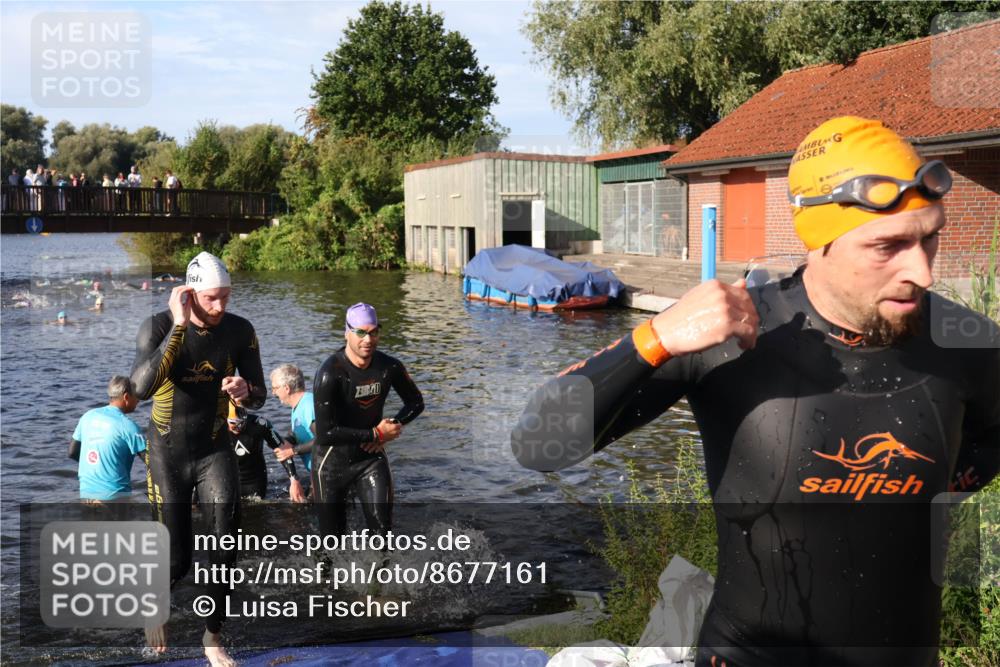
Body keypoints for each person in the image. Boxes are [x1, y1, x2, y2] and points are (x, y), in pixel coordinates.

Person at [512, 116, 999, 667]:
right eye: (887, 246)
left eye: (929, 237)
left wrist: (931, 485)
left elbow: (992, 438)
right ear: (818, 242)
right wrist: (656, 338)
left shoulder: (969, 343)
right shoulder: (732, 336)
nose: (923, 272)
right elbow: (537, 446)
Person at [130, 251, 265, 667]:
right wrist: (179, 325)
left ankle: (212, 636)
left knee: (227, 544)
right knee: (177, 559)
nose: (220, 306)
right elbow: (140, 389)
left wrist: (246, 390)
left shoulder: (240, 330)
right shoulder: (158, 326)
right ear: (189, 294)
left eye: (226, 296)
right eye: (211, 298)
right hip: (167, 454)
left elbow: (260, 393)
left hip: (213, 449)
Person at [311, 303, 425, 538]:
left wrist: (393, 425)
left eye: (373, 332)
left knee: (382, 536)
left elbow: (416, 402)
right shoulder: (330, 372)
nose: (368, 339)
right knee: (331, 543)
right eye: (361, 332)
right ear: (347, 333)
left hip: (370, 458)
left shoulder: (389, 366)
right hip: (331, 463)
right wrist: (375, 434)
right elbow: (325, 432)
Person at [69, 376, 147, 501]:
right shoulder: (128, 426)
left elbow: (72, 452)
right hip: (115, 496)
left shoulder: (87, 417)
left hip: (86, 495)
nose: (138, 400)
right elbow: (153, 462)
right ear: (126, 397)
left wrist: (99, 465)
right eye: (136, 396)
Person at [227, 403, 306, 502]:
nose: (237, 429)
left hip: (254, 480)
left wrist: (294, 480)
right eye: (233, 426)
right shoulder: (216, 427)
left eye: (240, 425)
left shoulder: (260, 424)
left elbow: (282, 450)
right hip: (226, 479)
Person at [270, 363, 315, 474]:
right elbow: (297, 431)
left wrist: (292, 451)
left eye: (275, 388)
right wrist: (287, 442)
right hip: (316, 471)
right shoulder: (298, 406)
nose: (273, 393)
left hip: (330, 471)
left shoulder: (308, 405)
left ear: (287, 388)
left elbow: (323, 439)